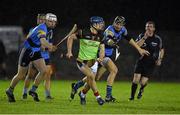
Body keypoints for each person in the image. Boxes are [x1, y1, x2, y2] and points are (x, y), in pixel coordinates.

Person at [69, 16, 150, 103]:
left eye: (120, 24)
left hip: (107, 55)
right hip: (101, 55)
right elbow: (107, 39)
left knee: (95, 78)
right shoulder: (109, 30)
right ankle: (108, 96)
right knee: (114, 70)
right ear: (113, 22)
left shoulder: (123, 30)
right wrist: (111, 42)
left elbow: (129, 39)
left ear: (123, 25)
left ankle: (78, 88)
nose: (118, 26)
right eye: (117, 23)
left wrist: (139, 49)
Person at [5, 13, 57, 102]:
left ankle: (32, 90)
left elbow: (40, 43)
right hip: (27, 51)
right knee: (21, 75)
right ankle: (10, 90)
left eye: (53, 22)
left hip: (36, 51)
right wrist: (50, 46)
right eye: (50, 21)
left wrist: (47, 46)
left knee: (44, 71)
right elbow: (43, 40)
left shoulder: (48, 29)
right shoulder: (42, 28)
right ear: (46, 21)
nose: (52, 23)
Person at [66, 16, 106, 105]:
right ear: (94, 24)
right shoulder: (83, 32)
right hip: (82, 61)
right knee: (91, 76)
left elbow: (102, 49)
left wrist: (101, 58)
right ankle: (98, 97)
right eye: (100, 24)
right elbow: (70, 38)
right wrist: (69, 52)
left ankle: (82, 94)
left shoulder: (101, 36)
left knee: (89, 82)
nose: (102, 25)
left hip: (93, 62)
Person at [129, 21, 164, 100]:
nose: (149, 28)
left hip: (151, 63)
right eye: (147, 26)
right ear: (145, 28)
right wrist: (144, 37)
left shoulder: (157, 39)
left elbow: (161, 50)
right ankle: (132, 97)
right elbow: (136, 46)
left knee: (143, 82)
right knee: (136, 79)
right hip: (141, 61)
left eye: (151, 26)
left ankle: (141, 90)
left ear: (154, 29)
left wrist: (160, 59)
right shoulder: (141, 36)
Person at [22, 13, 55, 99]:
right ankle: (25, 92)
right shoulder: (34, 29)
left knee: (47, 75)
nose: (41, 21)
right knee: (30, 75)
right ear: (37, 20)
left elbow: (49, 43)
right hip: (35, 54)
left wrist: (50, 47)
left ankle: (47, 95)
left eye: (43, 19)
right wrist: (41, 46)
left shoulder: (50, 31)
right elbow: (30, 41)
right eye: (40, 19)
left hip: (45, 56)